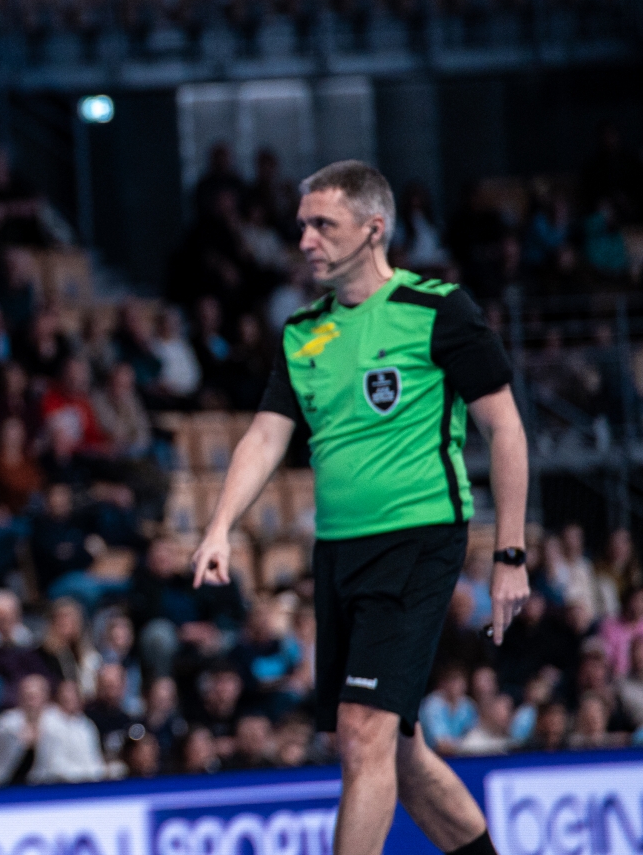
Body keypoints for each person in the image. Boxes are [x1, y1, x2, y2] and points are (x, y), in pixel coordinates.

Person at [193, 161, 529, 855]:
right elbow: (265, 436)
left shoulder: (439, 310)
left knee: (362, 733)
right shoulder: (302, 331)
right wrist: (220, 527)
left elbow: (506, 430)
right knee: (397, 750)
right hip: (338, 552)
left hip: (418, 541)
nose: (305, 241)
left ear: (373, 229)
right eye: (302, 226)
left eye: (323, 225)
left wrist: (510, 553)